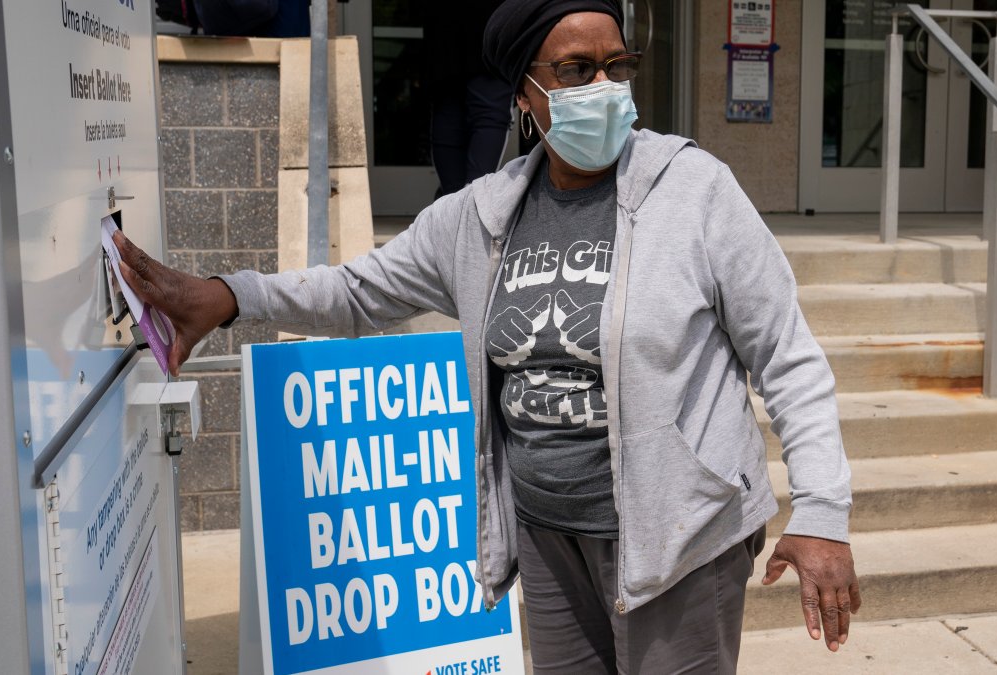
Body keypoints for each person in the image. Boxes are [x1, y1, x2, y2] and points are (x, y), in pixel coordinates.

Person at [117, 1, 860, 671]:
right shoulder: (480, 215)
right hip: (545, 538)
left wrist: (822, 511)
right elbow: (354, 291)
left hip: (681, 541)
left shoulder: (695, 190)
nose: (603, 85)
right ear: (525, 95)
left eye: (616, 65)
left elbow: (787, 357)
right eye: (574, 69)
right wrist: (230, 295)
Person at [423, 1, 514, 196]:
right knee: (488, 105)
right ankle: (470, 200)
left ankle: (453, 202)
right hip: (487, 15)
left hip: (447, 16)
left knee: (448, 100)